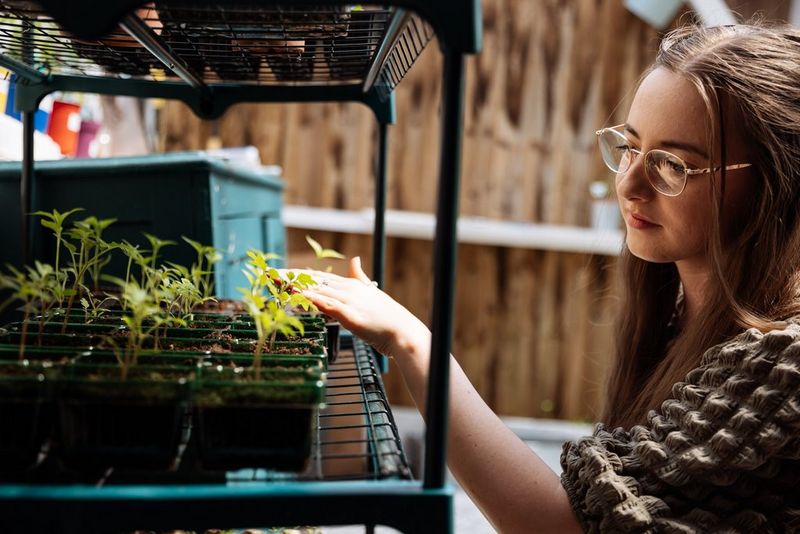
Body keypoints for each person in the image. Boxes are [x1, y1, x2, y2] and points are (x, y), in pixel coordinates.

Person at [297, 22, 800, 532]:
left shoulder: (785, 360)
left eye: (672, 164)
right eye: (629, 147)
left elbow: (568, 527)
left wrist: (413, 345)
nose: (628, 184)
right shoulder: (679, 317)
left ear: (776, 183)